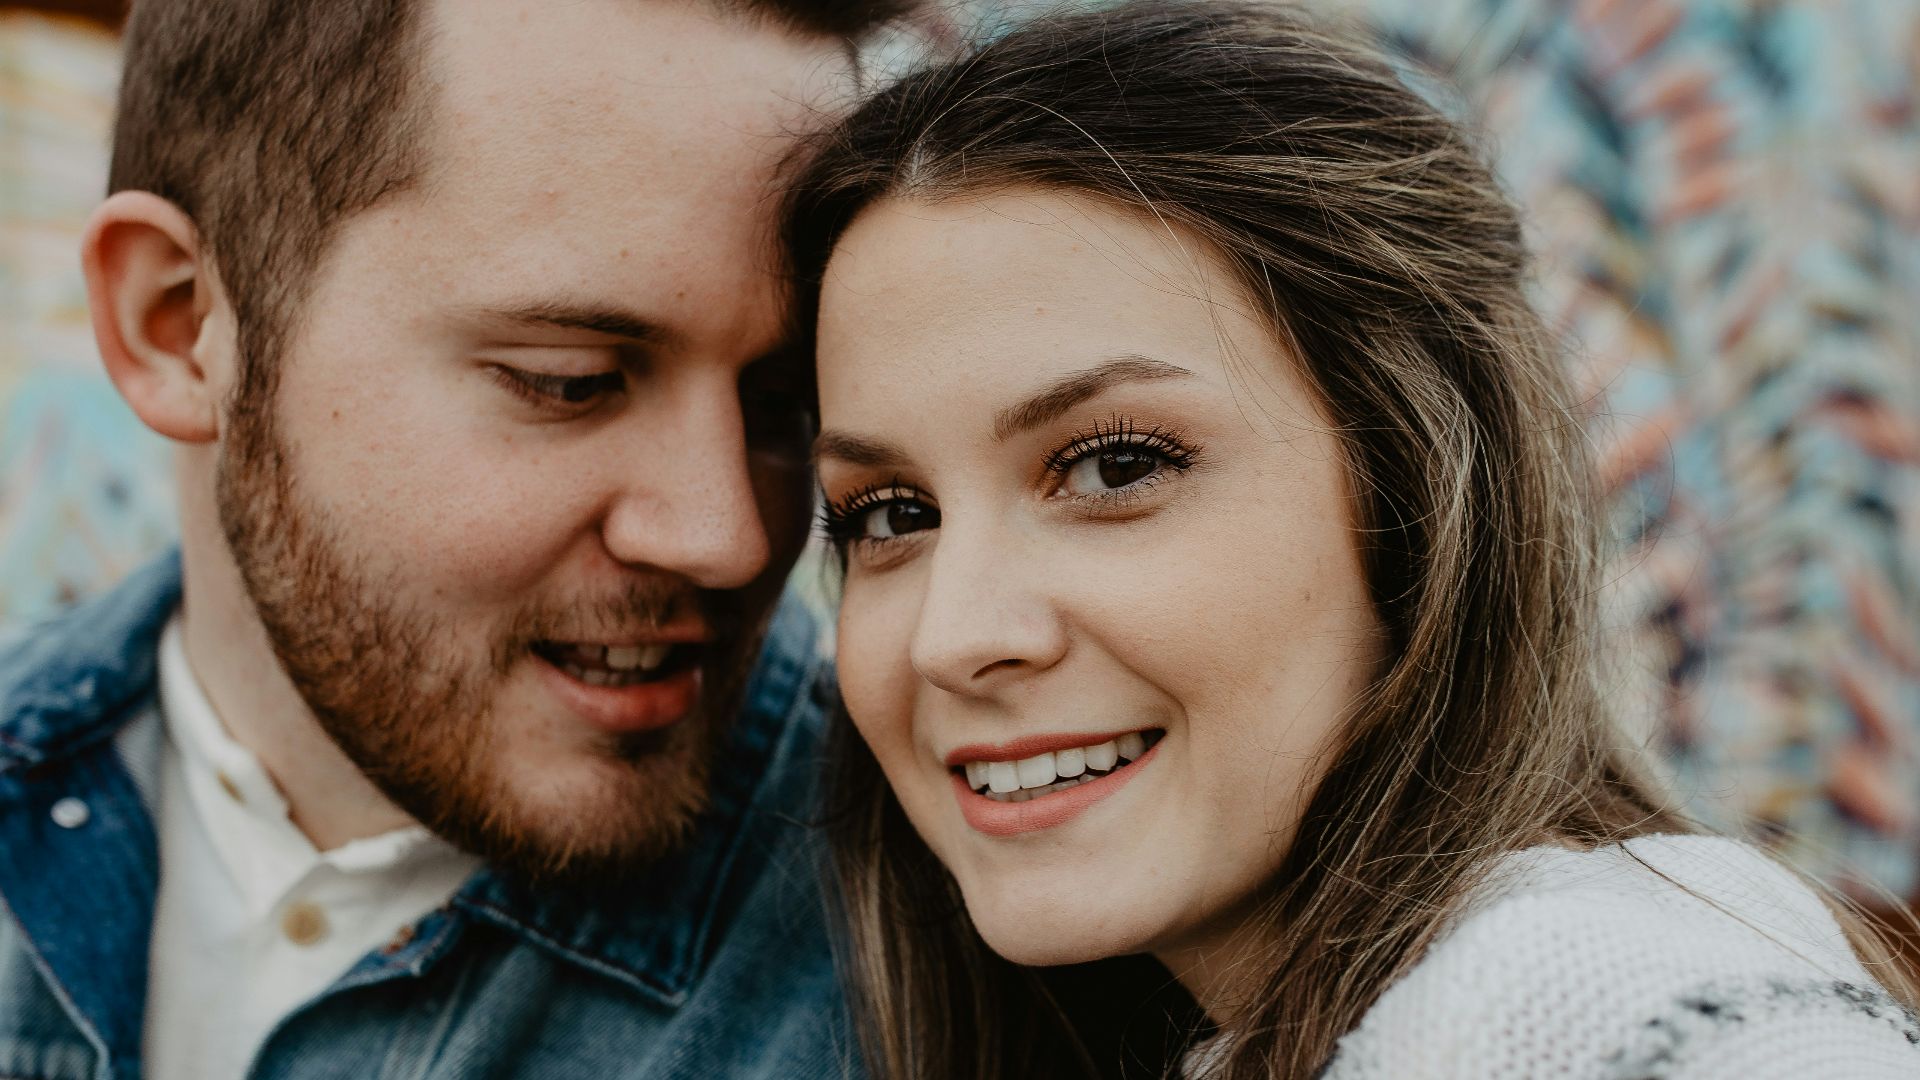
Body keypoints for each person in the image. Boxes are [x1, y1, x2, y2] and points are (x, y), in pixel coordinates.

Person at [783, 2, 1920, 1076]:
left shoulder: (1584, 998)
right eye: (890, 516)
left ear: (1420, 487)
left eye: (1114, 466)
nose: (954, 636)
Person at [0, 0, 912, 1077]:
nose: (730, 540)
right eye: (569, 382)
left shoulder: (935, 980)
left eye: (783, 398)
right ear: (180, 319)